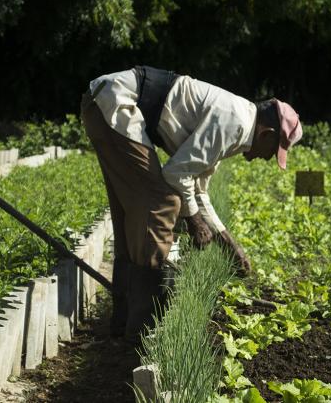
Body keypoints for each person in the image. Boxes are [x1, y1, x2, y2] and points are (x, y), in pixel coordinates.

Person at [79, 66, 302, 343]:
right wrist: (193, 221)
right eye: (274, 152)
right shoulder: (233, 123)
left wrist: (228, 243)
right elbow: (176, 174)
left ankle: (124, 319)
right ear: (266, 134)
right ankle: (143, 330)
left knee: (134, 212)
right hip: (117, 105)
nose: (268, 158)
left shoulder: (236, 122)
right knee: (161, 202)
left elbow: (198, 191)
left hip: (103, 102)